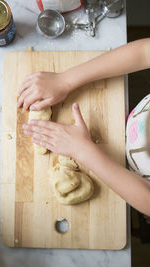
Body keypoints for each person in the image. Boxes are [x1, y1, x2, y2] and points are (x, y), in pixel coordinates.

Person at [17, 38, 150, 217]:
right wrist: (64, 81)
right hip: (136, 122)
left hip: (137, 175)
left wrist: (83, 151)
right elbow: (144, 52)